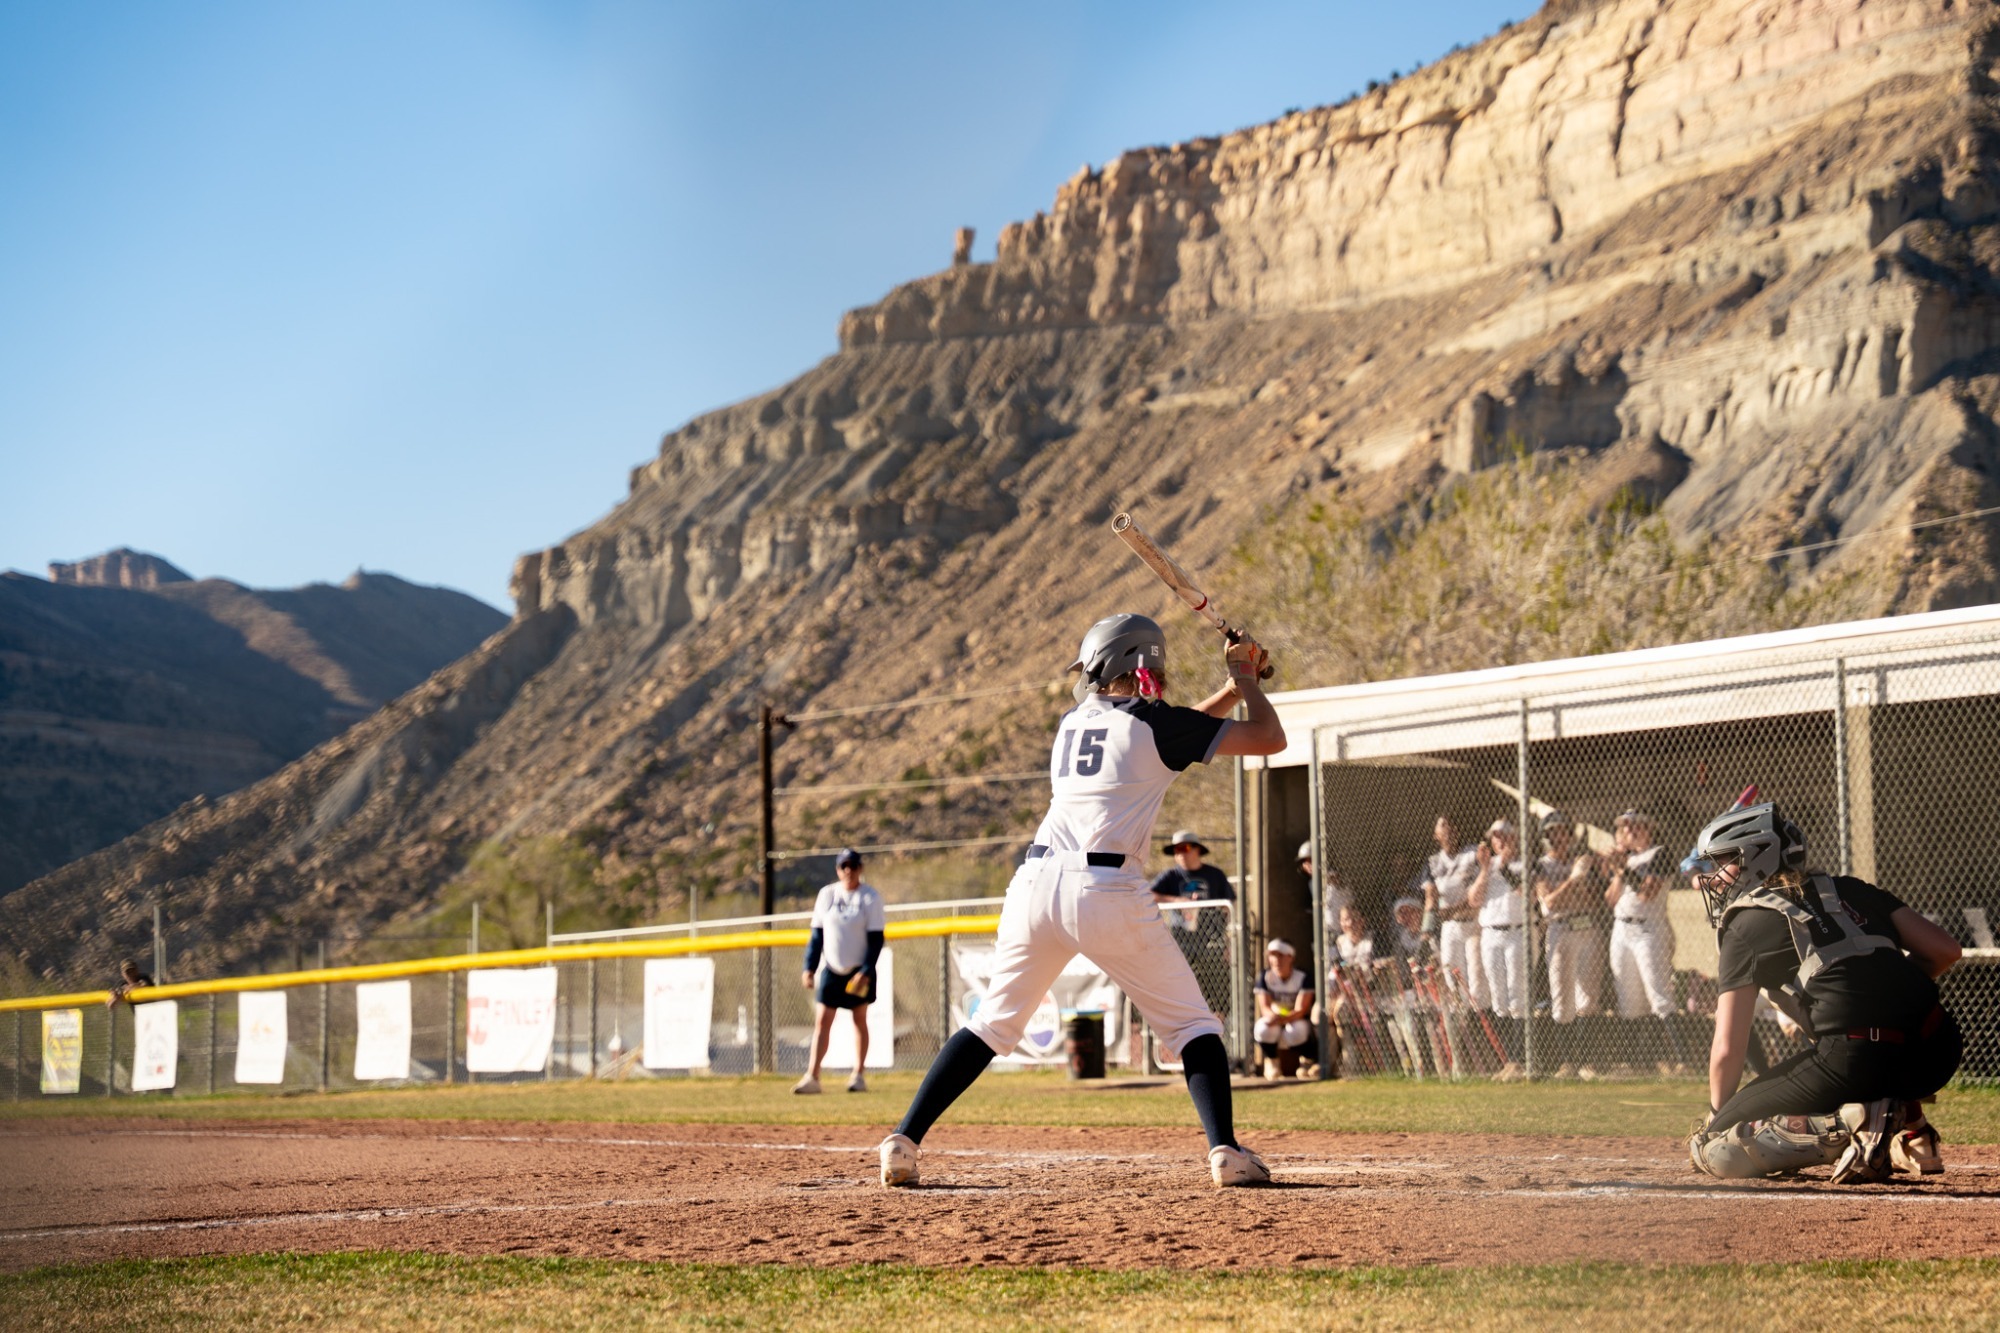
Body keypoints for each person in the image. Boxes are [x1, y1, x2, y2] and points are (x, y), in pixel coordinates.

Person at [878, 612, 1286, 1188]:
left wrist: (1234, 685)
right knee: (1194, 1024)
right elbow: (1269, 737)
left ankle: (903, 1141)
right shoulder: (1157, 725)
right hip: (1106, 889)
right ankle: (1224, 1150)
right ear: (1147, 662)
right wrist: (1245, 679)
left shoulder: (1075, 722)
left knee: (993, 1023)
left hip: (1035, 885)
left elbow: (1179, 730)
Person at [1685, 801, 1962, 1182]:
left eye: (1724, 862)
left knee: (1715, 1148)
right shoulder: (1850, 888)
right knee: (1877, 1033)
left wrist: (1718, 1117)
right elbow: (1946, 951)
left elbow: (1728, 1048)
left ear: (1756, 858)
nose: (1713, 878)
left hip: (1857, 1060)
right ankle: (1916, 1135)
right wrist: (1882, 994)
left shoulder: (1745, 924)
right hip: (1938, 1048)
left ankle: (1850, 1123)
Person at [795, 848, 886, 1095]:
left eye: (853, 866)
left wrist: (866, 970)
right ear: (837, 869)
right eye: (844, 866)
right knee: (822, 1021)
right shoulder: (827, 895)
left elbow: (876, 939)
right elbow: (817, 936)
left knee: (859, 1020)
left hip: (858, 971)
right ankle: (813, 1076)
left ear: (860, 869)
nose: (849, 870)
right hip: (832, 969)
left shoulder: (869, 897)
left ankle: (858, 1074)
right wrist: (809, 968)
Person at [1604, 809, 1688, 1072]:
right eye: (1625, 827)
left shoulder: (1660, 853)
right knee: (1628, 998)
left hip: (1649, 930)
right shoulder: (1625, 860)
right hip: (1622, 929)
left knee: (1659, 994)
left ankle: (1683, 1060)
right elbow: (1610, 899)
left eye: (1636, 826)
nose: (1630, 831)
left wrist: (1623, 870)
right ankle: (1636, 1062)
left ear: (1649, 828)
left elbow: (1647, 893)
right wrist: (1618, 871)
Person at [1534, 810, 1607, 1078]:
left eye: (1562, 832)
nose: (1558, 838)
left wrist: (1576, 883)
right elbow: (1549, 903)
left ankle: (1586, 1061)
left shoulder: (1583, 861)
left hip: (1586, 928)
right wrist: (1573, 881)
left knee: (1587, 998)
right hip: (1559, 930)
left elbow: (1592, 902)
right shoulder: (1541, 865)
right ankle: (1567, 1062)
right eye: (1552, 833)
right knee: (1562, 998)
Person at [1149, 830, 1236, 1021]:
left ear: (1197, 849)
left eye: (1185, 848)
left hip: (1211, 938)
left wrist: (1229, 940)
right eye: (1176, 850)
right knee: (1182, 980)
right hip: (1182, 938)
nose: (1180, 853)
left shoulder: (1215, 874)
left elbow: (1229, 906)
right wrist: (1176, 900)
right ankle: (1185, 1019)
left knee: (1216, 981)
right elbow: (1149, 894)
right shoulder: (1170, 876)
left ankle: (1219, 1020)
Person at [1469, 819, 1528, 1077]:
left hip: (1517, 932)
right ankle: (1507, 1061)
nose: (1500, 841)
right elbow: (1473, 899)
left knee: (1517, 993)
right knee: (1498, 996)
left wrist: (1502, 866)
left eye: (1504, 836)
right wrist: (1484, 870)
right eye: (1495, 837)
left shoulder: (1524, 864)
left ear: (1514, 838)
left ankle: (1520, 1060)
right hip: (1491, 934)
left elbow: (1526, 893)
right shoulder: (1486, 867)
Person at [1424, 816, 1486, 1010]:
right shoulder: (1433, 862)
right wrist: (1426, 931)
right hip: (1450, 927)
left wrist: (1454, 908)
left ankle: (1483, 1019)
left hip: (1473, 924)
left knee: (1476, 977)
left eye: (1452, 825)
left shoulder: (1472, 854)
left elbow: (1480, 892)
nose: (1448, 829)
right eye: (1443, 826)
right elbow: (1431, 898)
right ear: (1436, 835)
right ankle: (1465, 1020)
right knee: (1452, 976)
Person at [1252, 939, 1315, 1078]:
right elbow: (1265, 1007)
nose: (1275, 960)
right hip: (1277, 1018)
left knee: (1296, 1030)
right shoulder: (1265, 976)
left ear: (1290, 957)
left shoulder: (1302, 976)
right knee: (1263, 1028)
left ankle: (1306, 1061)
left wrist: (1284, 1019)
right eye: (1272, 955)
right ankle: (1272, 1062)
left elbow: (1301, 1009)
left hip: (1295, 1019)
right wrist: (1273, 1017)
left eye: (1280, 955)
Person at [1299, 841, 1352, 934]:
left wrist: (1325, 878)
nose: (1307, 866)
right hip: (1328, 932)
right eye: (1305, 862)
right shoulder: (1311, 883)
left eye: (1311, 861)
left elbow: (1338, 881)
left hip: (1345, 929)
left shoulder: (1333, 875)